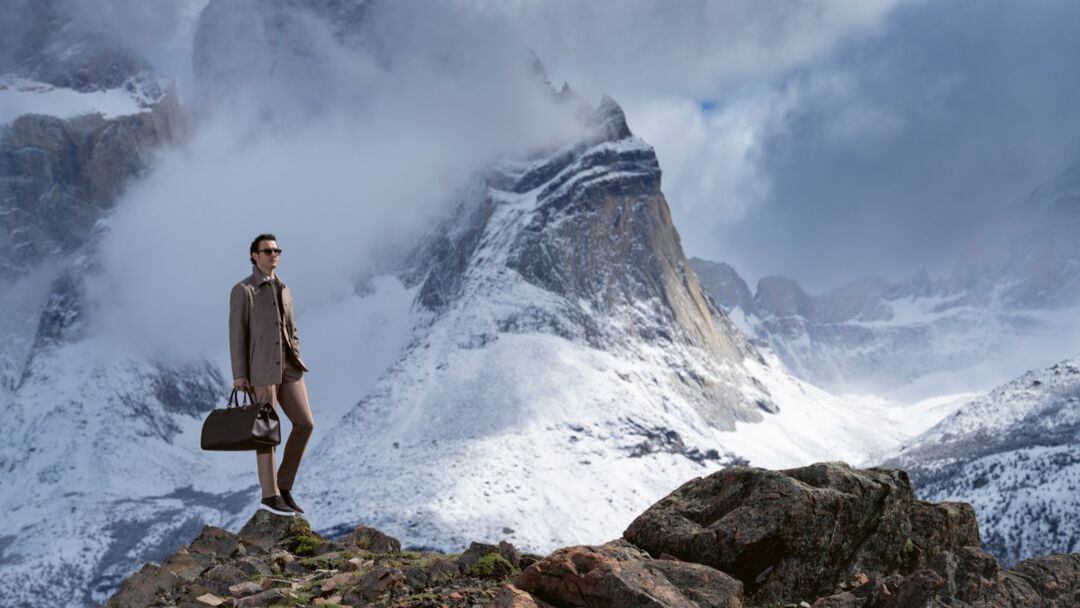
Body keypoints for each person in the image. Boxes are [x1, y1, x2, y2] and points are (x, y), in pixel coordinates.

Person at [229, 233, 314, 515]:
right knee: (267, 432)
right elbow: (236, 335)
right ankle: (270, 493)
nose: (273, 255)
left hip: (290, 366)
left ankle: (284, 486)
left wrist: (297, 353)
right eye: (267, 251)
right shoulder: (244, 290)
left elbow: (293, 328)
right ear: (254, 255)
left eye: (277, 250)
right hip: (261, 370)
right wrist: (240, 374)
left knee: (305, 423)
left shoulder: (285, 288)